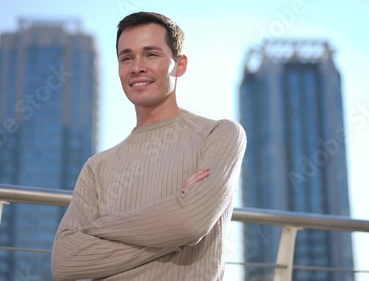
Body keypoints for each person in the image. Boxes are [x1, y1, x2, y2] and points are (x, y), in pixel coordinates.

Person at [52, 11, 247, 281]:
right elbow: (65, 261)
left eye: (151, 54)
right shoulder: (97, 167)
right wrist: (172, 223)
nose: (136, 67)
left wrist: (96, 230)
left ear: (180, 65)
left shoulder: (219, 134)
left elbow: (190, 223)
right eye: (127, 57)